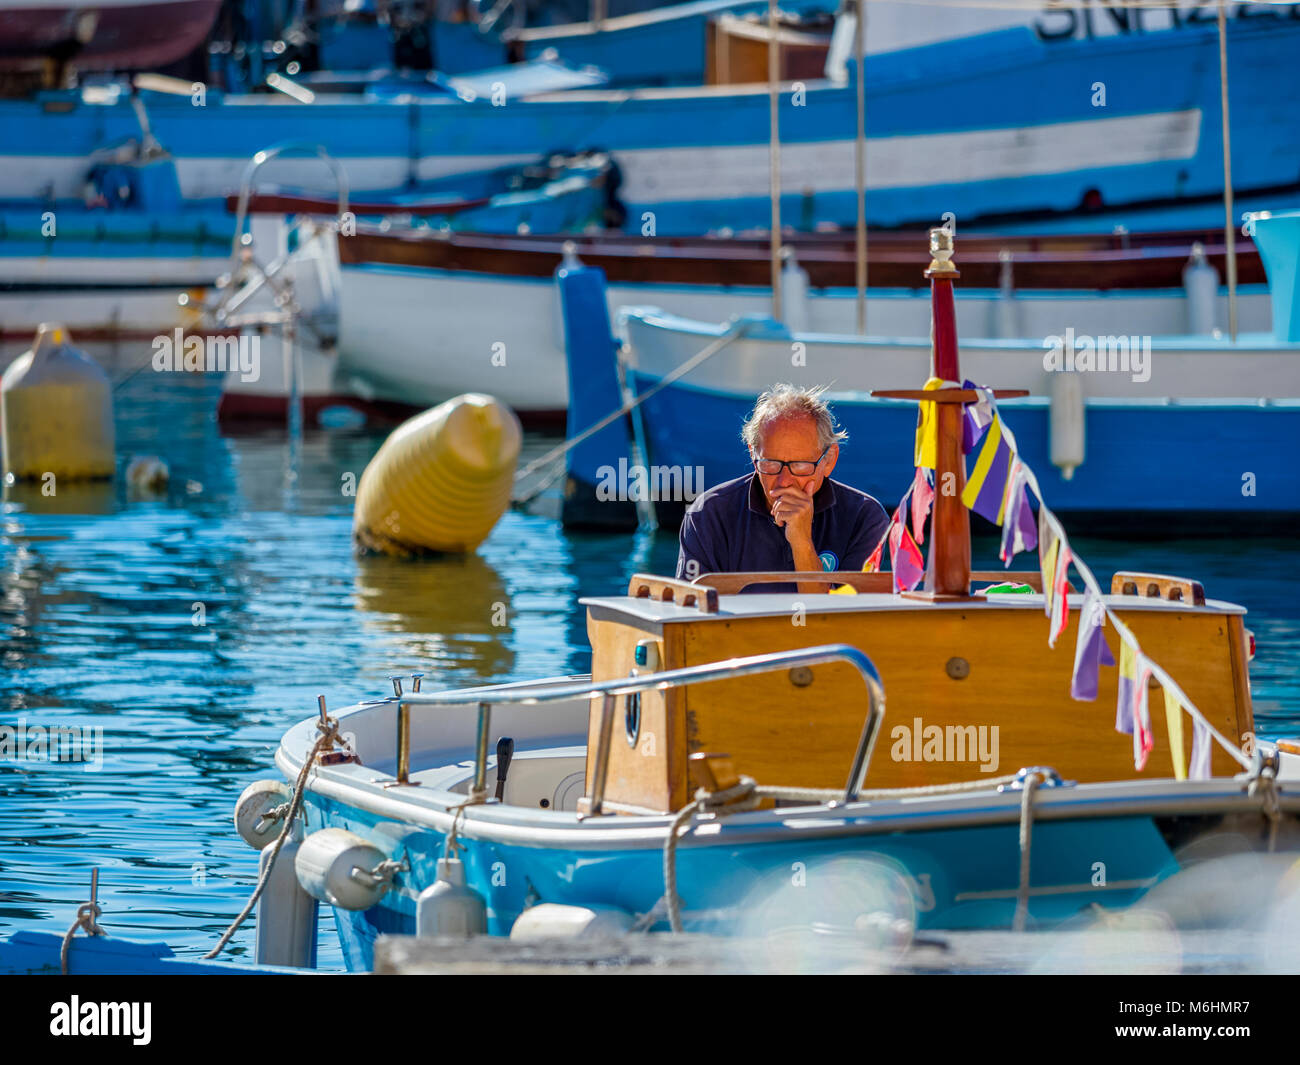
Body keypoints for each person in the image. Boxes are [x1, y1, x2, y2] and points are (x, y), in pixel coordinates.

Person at [675, 384, 890, 593]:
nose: (784, 481)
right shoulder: (708, 514)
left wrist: (802, 541)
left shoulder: (864, 518)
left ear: (829, 460)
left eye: (799, 466)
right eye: (771, 464)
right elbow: (688, 616)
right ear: (753, 454)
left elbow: (844, 621)